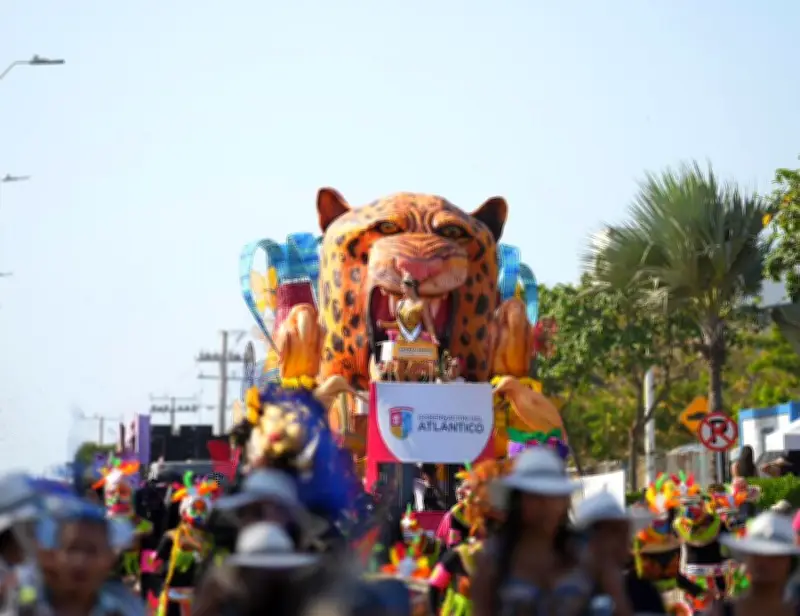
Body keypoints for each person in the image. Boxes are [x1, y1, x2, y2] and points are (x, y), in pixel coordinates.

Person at [472, 447, 597, 616]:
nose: (546, 506)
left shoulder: (583, 553)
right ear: (518, 501)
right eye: (536, 497)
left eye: (554, 496)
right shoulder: (493, 559)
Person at [192, 522, 324, 616]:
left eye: (276, 570)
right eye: (261, 570)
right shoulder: (219, 600)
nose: (269, 579)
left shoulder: (305, 604)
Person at [574, 491, 665, 614]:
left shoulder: (642, 590)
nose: (626, 545)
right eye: (616, 533)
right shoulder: (568, 592)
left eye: (626, 535)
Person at [706, 511, 800, 616]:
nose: (764, 561)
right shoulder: (718, 612)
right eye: (757, 553)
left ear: (790, 563)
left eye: (774, 556)